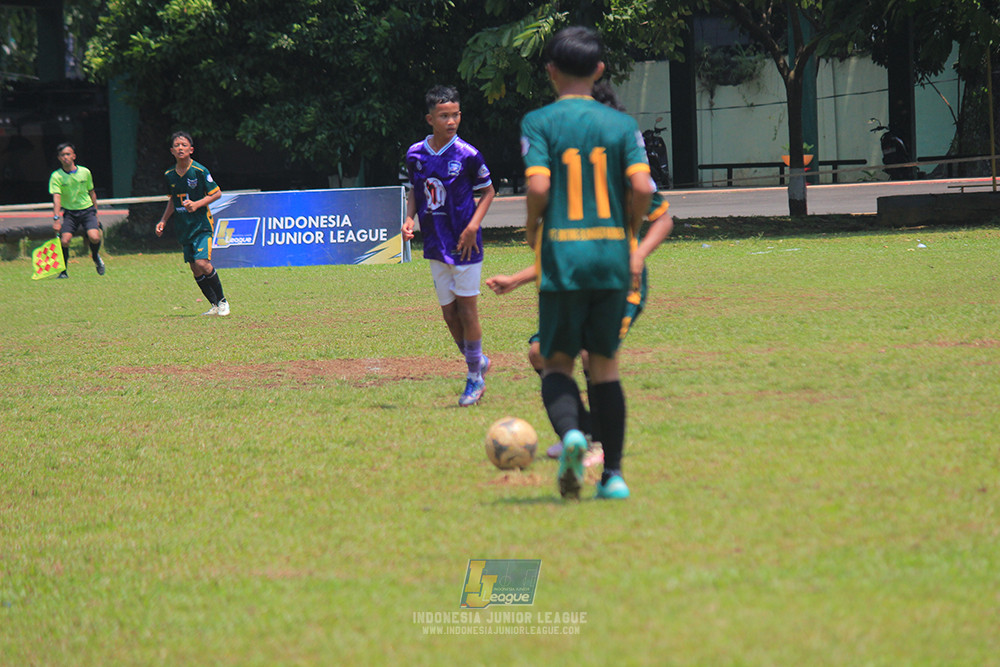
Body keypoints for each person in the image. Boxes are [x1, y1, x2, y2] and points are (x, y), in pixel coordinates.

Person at [488, 81, 672, 464]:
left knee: (592, 357)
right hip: (570, 276)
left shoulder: (619, 170)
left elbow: (662, 218)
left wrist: (636, 255)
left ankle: (603, 448)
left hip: (620, 281)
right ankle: (580, 433)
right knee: (540, 354)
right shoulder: (567, 179)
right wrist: (517, 279)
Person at [520, 26, 654, 500]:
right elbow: (642, 188)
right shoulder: (621, 125)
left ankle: (572, 434)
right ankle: (613, 477)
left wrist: (534, 225)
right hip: (612, 259)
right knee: (605, 366)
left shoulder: (539, 122)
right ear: (599, 71)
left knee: (556, 363)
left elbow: (538, 187)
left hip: (563, 259)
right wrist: (630, 232)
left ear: (551, 71)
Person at [402, 85, 496, 407]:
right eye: (444, 116)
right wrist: (409, 218)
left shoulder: (468, 155)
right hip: (435, 242)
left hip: (465, 244)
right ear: (430, 119)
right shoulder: (415, 153)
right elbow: (415, 190)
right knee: (448, 314)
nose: (452, 121)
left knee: (467, 310)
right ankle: (477, 359)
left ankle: (473, 377)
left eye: (455, 114)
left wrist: (473, 226)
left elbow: (488, 191)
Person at [154, 131, 230, 316]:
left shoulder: (200, 171)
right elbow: (173, 200)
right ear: (172, 150)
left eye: (184, 145)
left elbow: (216, 193)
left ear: (191, 149)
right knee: (195, 268)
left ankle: (222, 301)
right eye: (177, 145)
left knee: (203, 263)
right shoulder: (169, 174)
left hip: (201, 225)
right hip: (184, 226)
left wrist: (197, 204)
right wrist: (163, 220)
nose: (180, 148)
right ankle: (214, 305)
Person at [49, 143, 104, 278]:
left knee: (95, 237)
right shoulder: (56, 176)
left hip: (87, 210)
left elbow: (92, 193)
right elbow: (57, 198)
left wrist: (95, 214)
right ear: (59, 158)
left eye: (68, 154)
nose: (66, 157)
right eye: (63, 155)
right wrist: (56, 219)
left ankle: (95, 256)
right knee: (65, 241)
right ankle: (63, 271)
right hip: (70, 213)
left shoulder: (85, 172)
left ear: (74, 156)